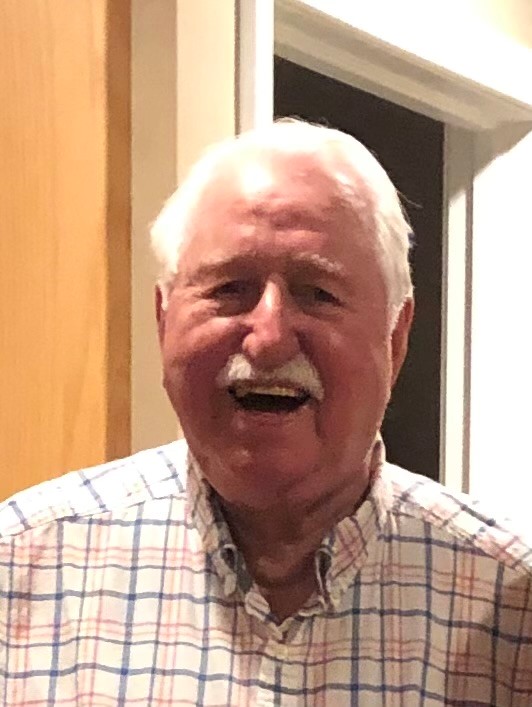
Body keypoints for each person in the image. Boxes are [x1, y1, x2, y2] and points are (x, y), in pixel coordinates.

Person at [1, 120, 531, 705]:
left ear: (396, 336)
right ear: (162, 320)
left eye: (318, 293)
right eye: (229, 289)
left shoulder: (513, 606)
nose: (269, 338)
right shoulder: (19, 570)